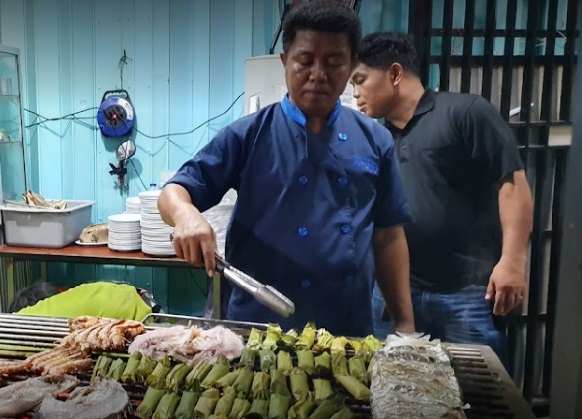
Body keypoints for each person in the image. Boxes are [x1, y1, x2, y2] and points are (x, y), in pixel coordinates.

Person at [157, 0, 416, 336]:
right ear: (285, 62)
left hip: (345, 329)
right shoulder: (249, 134)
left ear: (352, 65)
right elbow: (174, 192)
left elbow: (389, 236)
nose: (318, 75)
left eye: (334, 62)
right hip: (254, 326)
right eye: (305, 61)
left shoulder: (374, 139)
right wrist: (186, 216)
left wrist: (405, 324)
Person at [351, 32, 534, 362]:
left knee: (475, 394)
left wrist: (513, 261)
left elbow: (513, 185)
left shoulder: (464, 113)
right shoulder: (376, 137)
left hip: (465, 295)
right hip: (394, 294)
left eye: (360, 80)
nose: (355, 94)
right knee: (395, 391)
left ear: (394, 74)